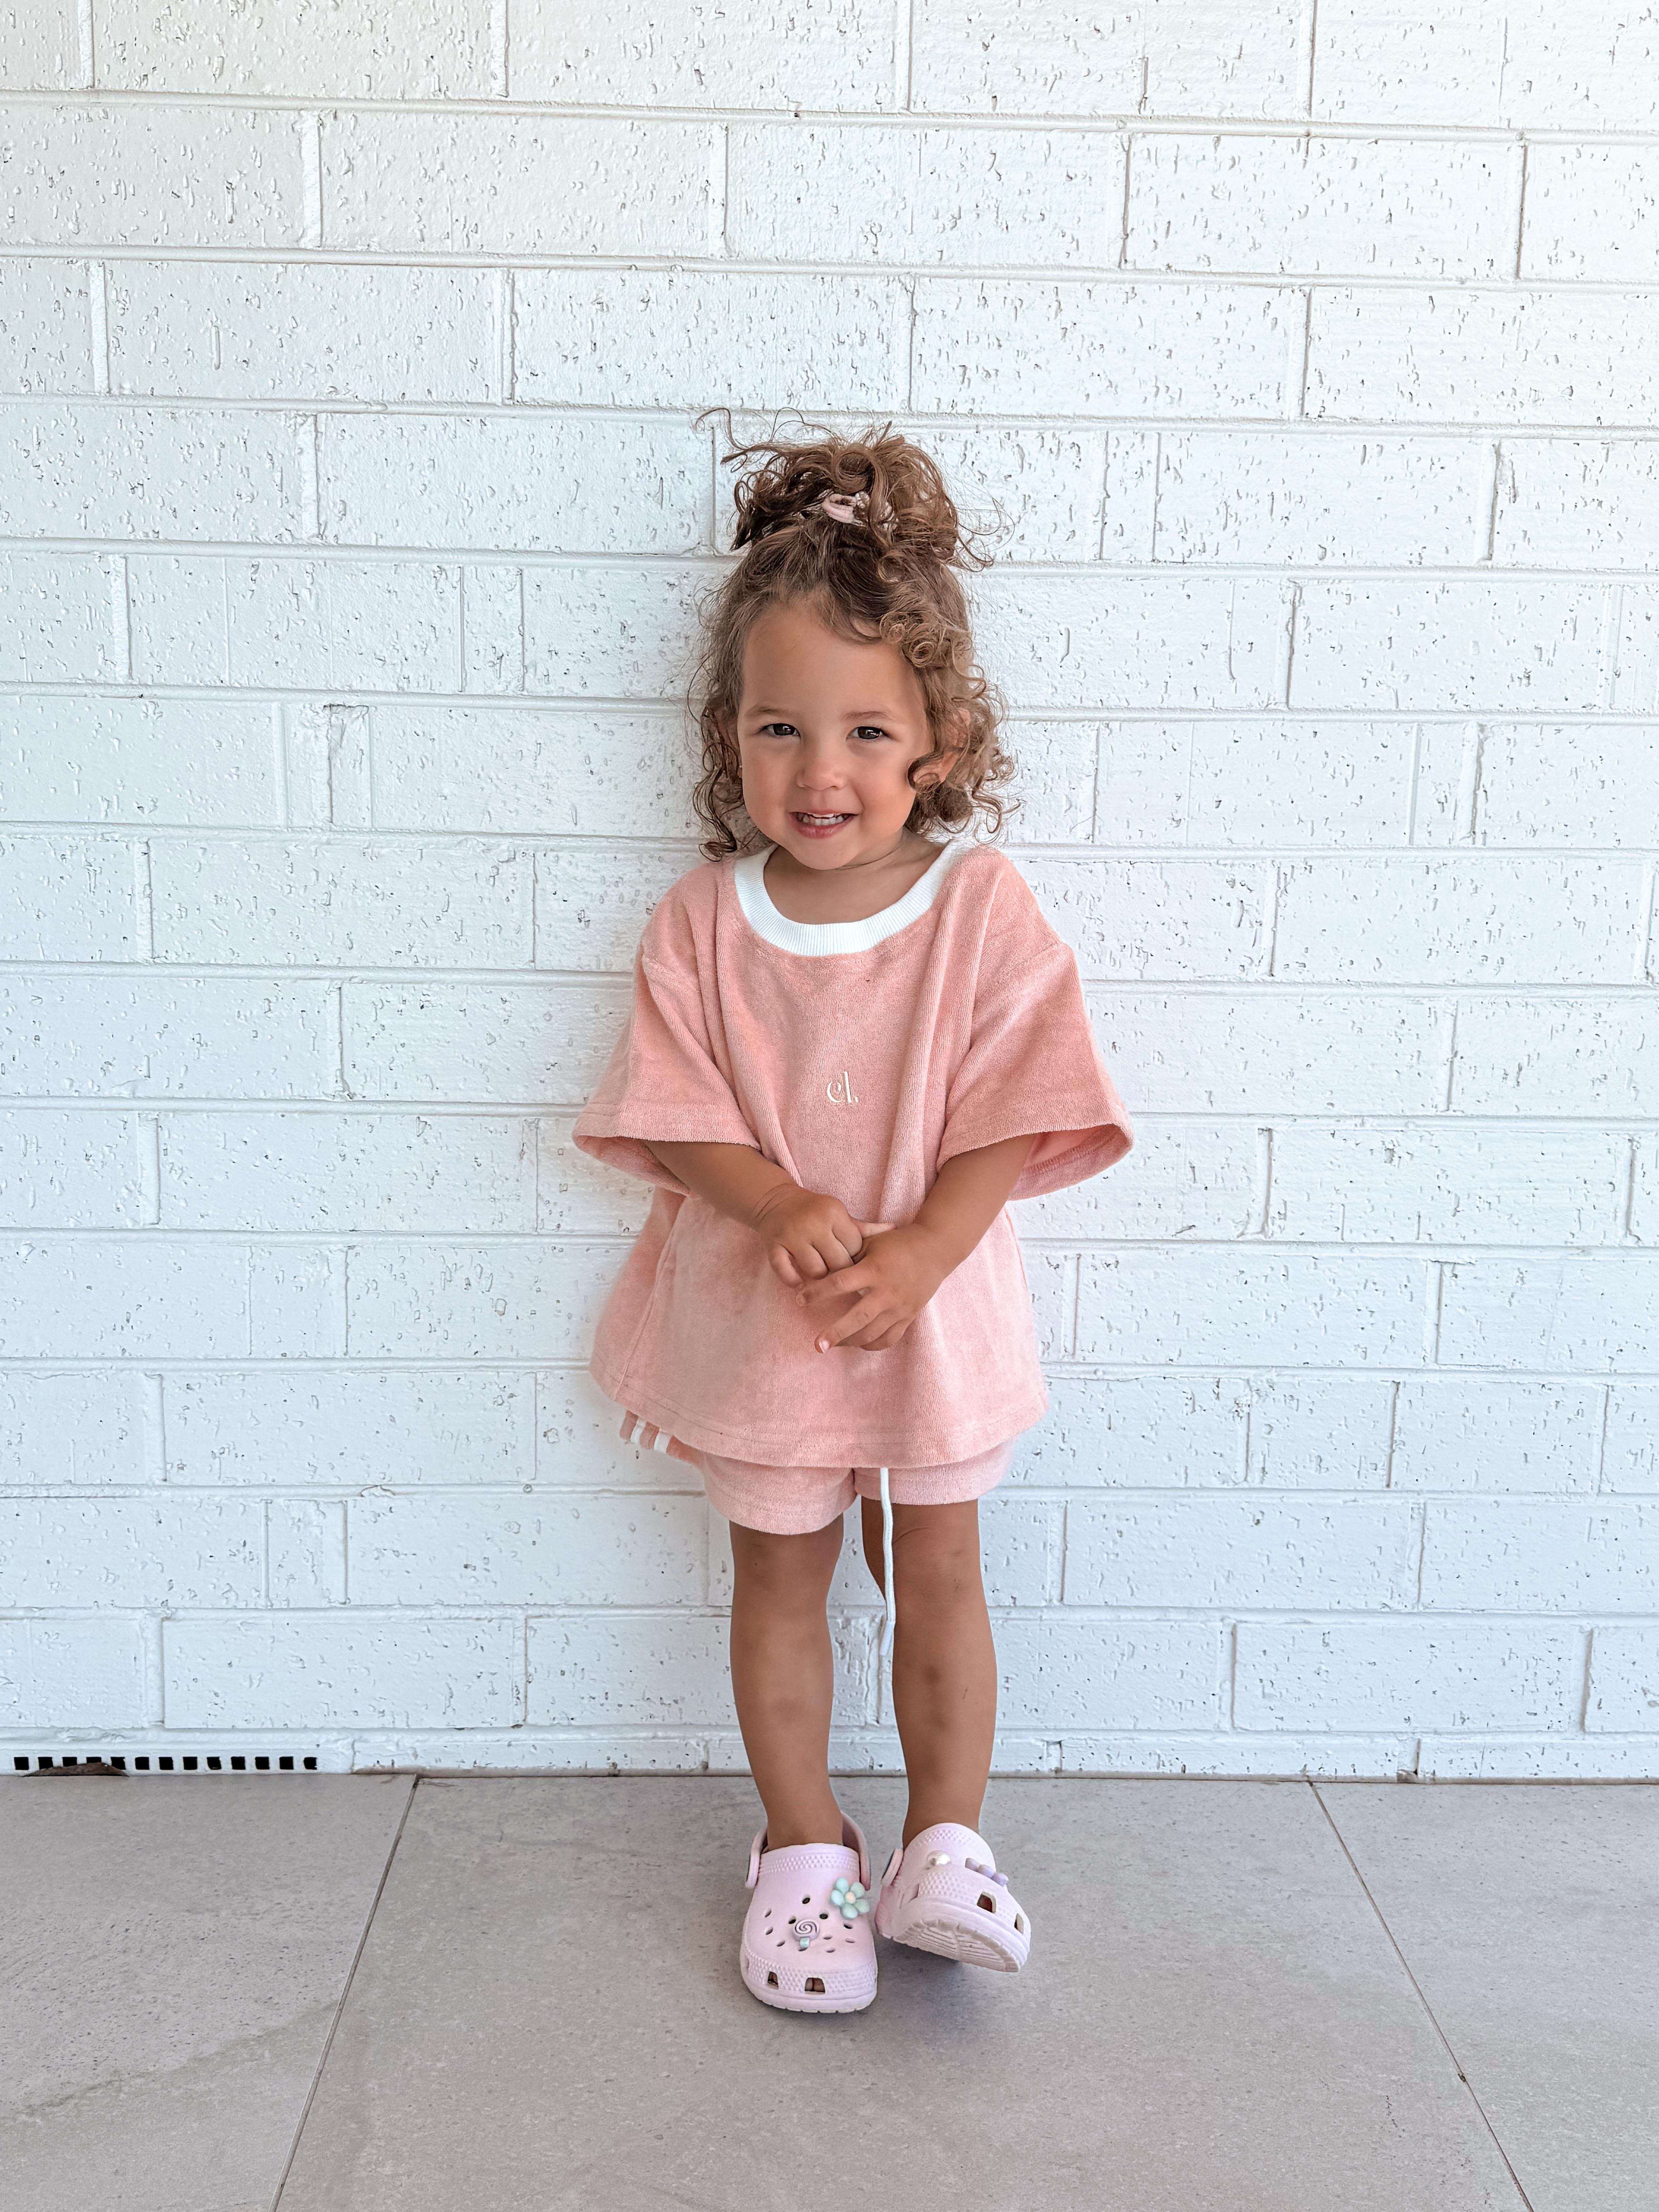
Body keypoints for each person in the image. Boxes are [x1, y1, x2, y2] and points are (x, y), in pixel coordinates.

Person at [573, 421, 1134, 2014]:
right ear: (729, 739)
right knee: (780, 1583)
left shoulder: (981, 911)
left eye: (867, 730)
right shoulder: (702, 921)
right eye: (780, 730)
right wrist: (784, 1206)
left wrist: (922, 1252)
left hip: (934, 1313)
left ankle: (946, 1843)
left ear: (938, 742)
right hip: (768, 1317)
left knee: (940, 1565)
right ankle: (804, 1853)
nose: (821, 774)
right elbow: (675, 1119)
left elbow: (1018, 1107)